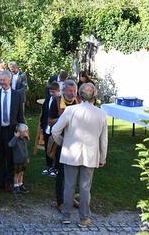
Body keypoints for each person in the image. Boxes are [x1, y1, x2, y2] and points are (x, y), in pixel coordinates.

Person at [52, 83, 108, 228]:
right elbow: (104, 140)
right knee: (85, 188)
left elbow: (55, 130)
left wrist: (63, 143)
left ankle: (66, 216)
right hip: (90, 155)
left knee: (69, 186)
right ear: (94, 96)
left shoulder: (70, 110)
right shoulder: (101, 113)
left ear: (79, 95)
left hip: (71, 153)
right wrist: (102, 158)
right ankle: (84, 218)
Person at [0, 70, 25, 192]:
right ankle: (1, 181)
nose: (1, 82)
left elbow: (20, 115)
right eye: (0, 80)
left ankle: (10, 182)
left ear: (9, 80)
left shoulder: (16, 95)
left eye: (3, 80)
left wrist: (22, 130)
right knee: (0, 156)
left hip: (11, 131)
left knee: (11, 157)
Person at [48, 79, 79, 212]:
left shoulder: (79, 101)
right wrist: (66, 118)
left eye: (74, 91)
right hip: (60, 141)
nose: (72, 94)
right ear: (64, 91)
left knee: (74, 172)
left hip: (76, 141)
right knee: (61, 173)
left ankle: (70, 198)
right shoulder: (55, 101)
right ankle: (60, 201)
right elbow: (49, 122)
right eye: (69, 91)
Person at [40, 81, 60, 176]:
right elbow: (43, 114)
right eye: (50, 92)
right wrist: (42, 126)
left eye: (54, 92)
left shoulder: (60, 102)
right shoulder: (47, 100)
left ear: (58, 91)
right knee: (47, 148)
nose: (52, 94)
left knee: (55, 149)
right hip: (46, 128)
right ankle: (49, 166)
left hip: (55, 129)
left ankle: (56, 168)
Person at [8, 123, 30, 195]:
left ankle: (21, 184)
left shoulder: (24, 139)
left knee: (22, 173)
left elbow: (25, 150)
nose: (27, 133)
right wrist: (15, 137)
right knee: (17, 174)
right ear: (19, 132)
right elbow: (10, 144)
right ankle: (16, 186)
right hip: (17, 161)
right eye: (25, 132)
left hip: (24, 160)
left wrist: (27, 158)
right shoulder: (16, 140)